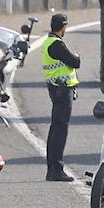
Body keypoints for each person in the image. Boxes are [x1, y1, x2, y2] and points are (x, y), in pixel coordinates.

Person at [42, 13, 80, 182]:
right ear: (63, 27)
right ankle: (56, 169)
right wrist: (76, 56)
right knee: (60, 130)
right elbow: (75, 62)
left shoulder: (48, 42)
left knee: (55, 128)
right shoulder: (57, 44)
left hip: (56, 89)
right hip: (62, 91)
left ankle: (53, 168)